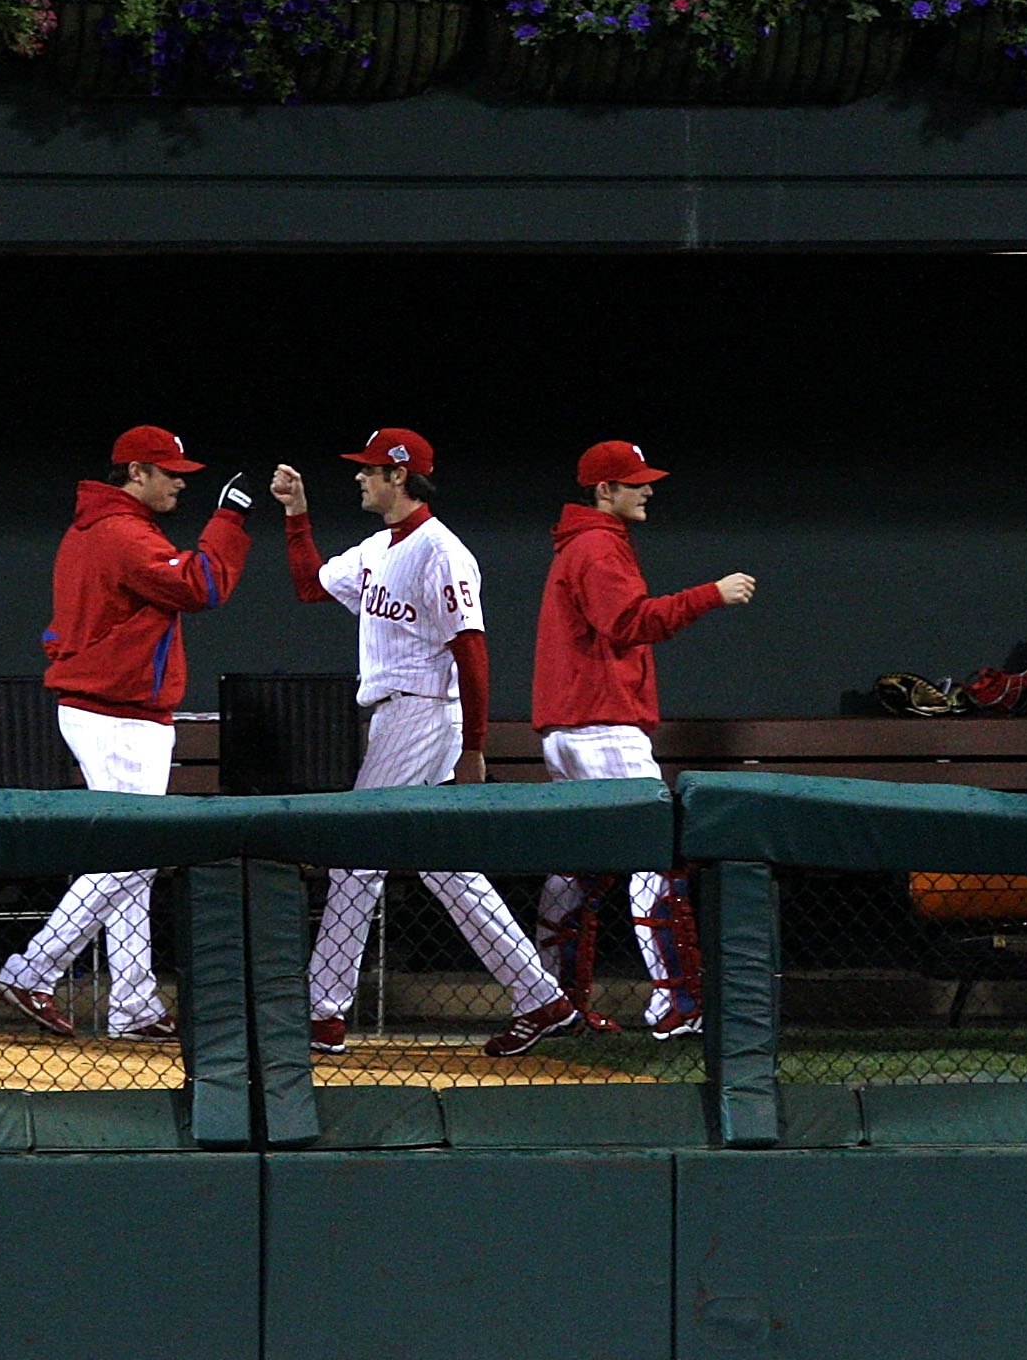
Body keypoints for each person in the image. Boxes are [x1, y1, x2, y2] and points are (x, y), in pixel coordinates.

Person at [274, 429, 579, 1059]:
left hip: (424, 712)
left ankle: (322, 1011)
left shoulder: (443, 552)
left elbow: (472, 651)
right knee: (445, 867)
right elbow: (309, 586)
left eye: (370, 470)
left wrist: (474, 744)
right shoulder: (377, 548)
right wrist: (296, 514)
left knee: (356, 852)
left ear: (401, 477)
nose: (359, 478)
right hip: (397, 713)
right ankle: (540, 996)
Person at [0, 426, 254, 1040]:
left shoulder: (102, 526)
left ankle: (134, 1003)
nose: (180, 482)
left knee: (131, 859)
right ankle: (32, 968)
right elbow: (203, 585)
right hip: (116, 712)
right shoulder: (118, 532)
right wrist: (229, 520)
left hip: (117, 708)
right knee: (129, 855)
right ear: (135, 472)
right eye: (169, 472)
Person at [527, 440, 755, 1039]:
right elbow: (628, 623)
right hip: (603, 725)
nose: (648, 489)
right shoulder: (599, 545)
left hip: (570, 726)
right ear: (605, 491)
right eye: (635, 482)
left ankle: (551, 998)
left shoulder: (584, 543)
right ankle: (675, 1004)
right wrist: (711, 594)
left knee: (577, 869)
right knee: (657, 856)